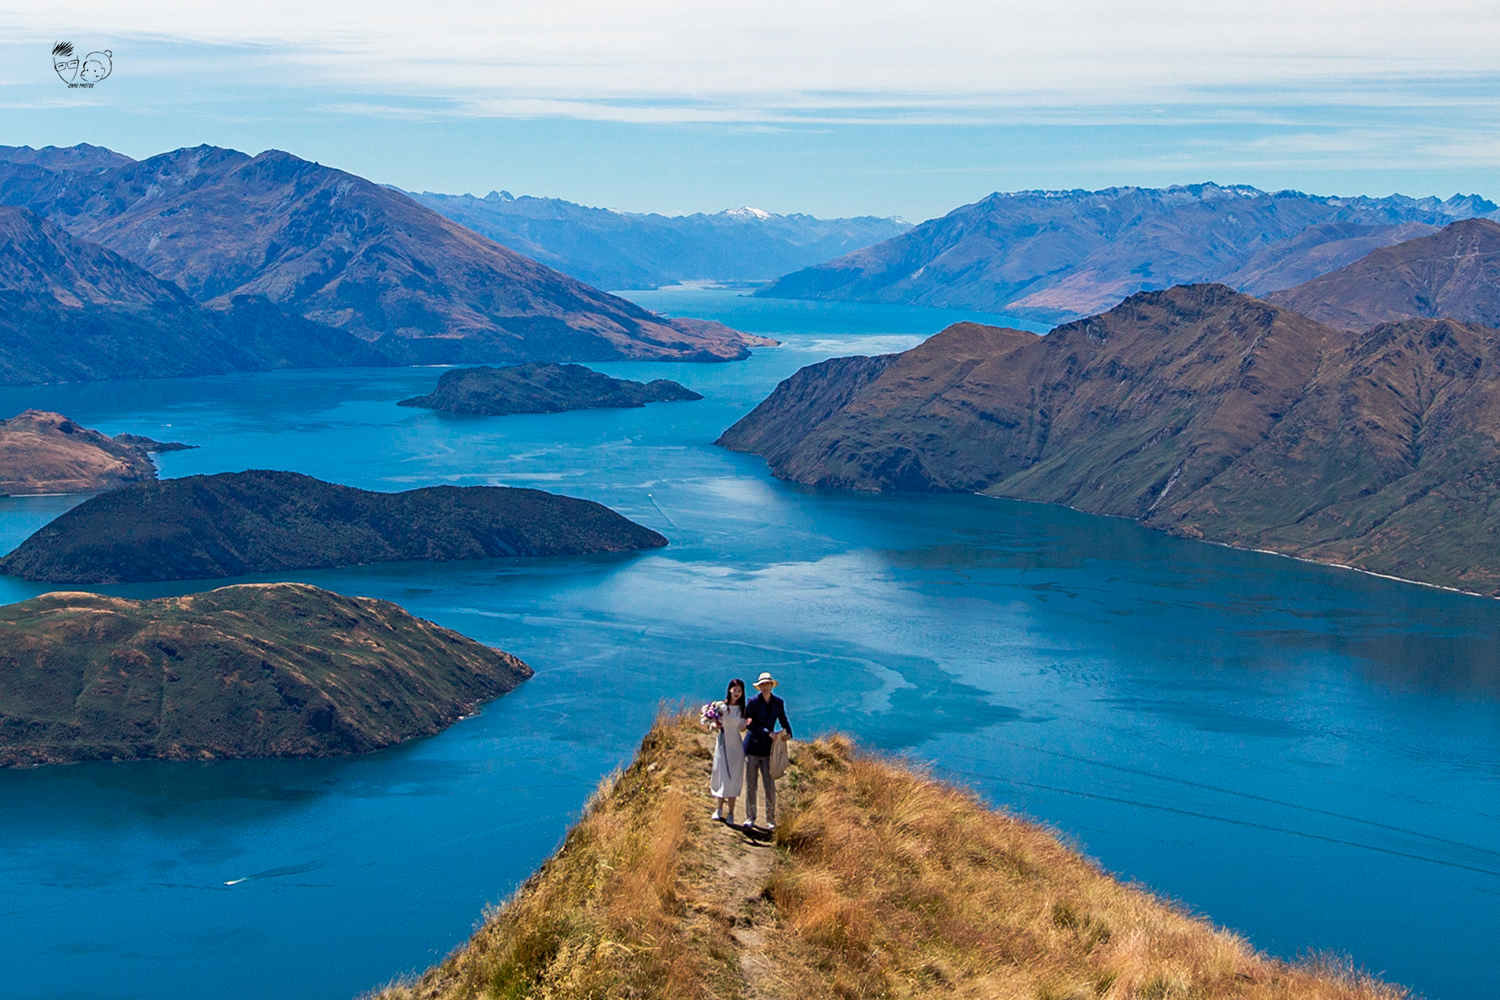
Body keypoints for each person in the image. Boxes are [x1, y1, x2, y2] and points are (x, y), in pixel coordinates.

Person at [741, 671, 792, 831]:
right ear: (759, 687)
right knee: (751, 785)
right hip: (752, 748)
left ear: (771, 685)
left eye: (767, 684)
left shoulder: (778, 702)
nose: (765, 687)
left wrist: (788, 732)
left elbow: (783, 718)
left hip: (768, 750)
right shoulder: (752, 702)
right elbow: (749, 724)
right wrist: (766, 733)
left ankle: (770, 820)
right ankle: (750, 817)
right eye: (762, 685)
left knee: (769, 786)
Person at [709, 679, 749, 823]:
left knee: (733, 777)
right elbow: (715, 724)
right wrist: (714, 725)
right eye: (735, 690)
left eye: (740, 691)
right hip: (722, 743)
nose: (737, 693)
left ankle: (731, 813)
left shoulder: (743, 709)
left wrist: (745, 725)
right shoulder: (721, 706)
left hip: (736, 746)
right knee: (721, 774)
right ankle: (718, 809)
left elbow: (741, 728)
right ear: (729, 690)